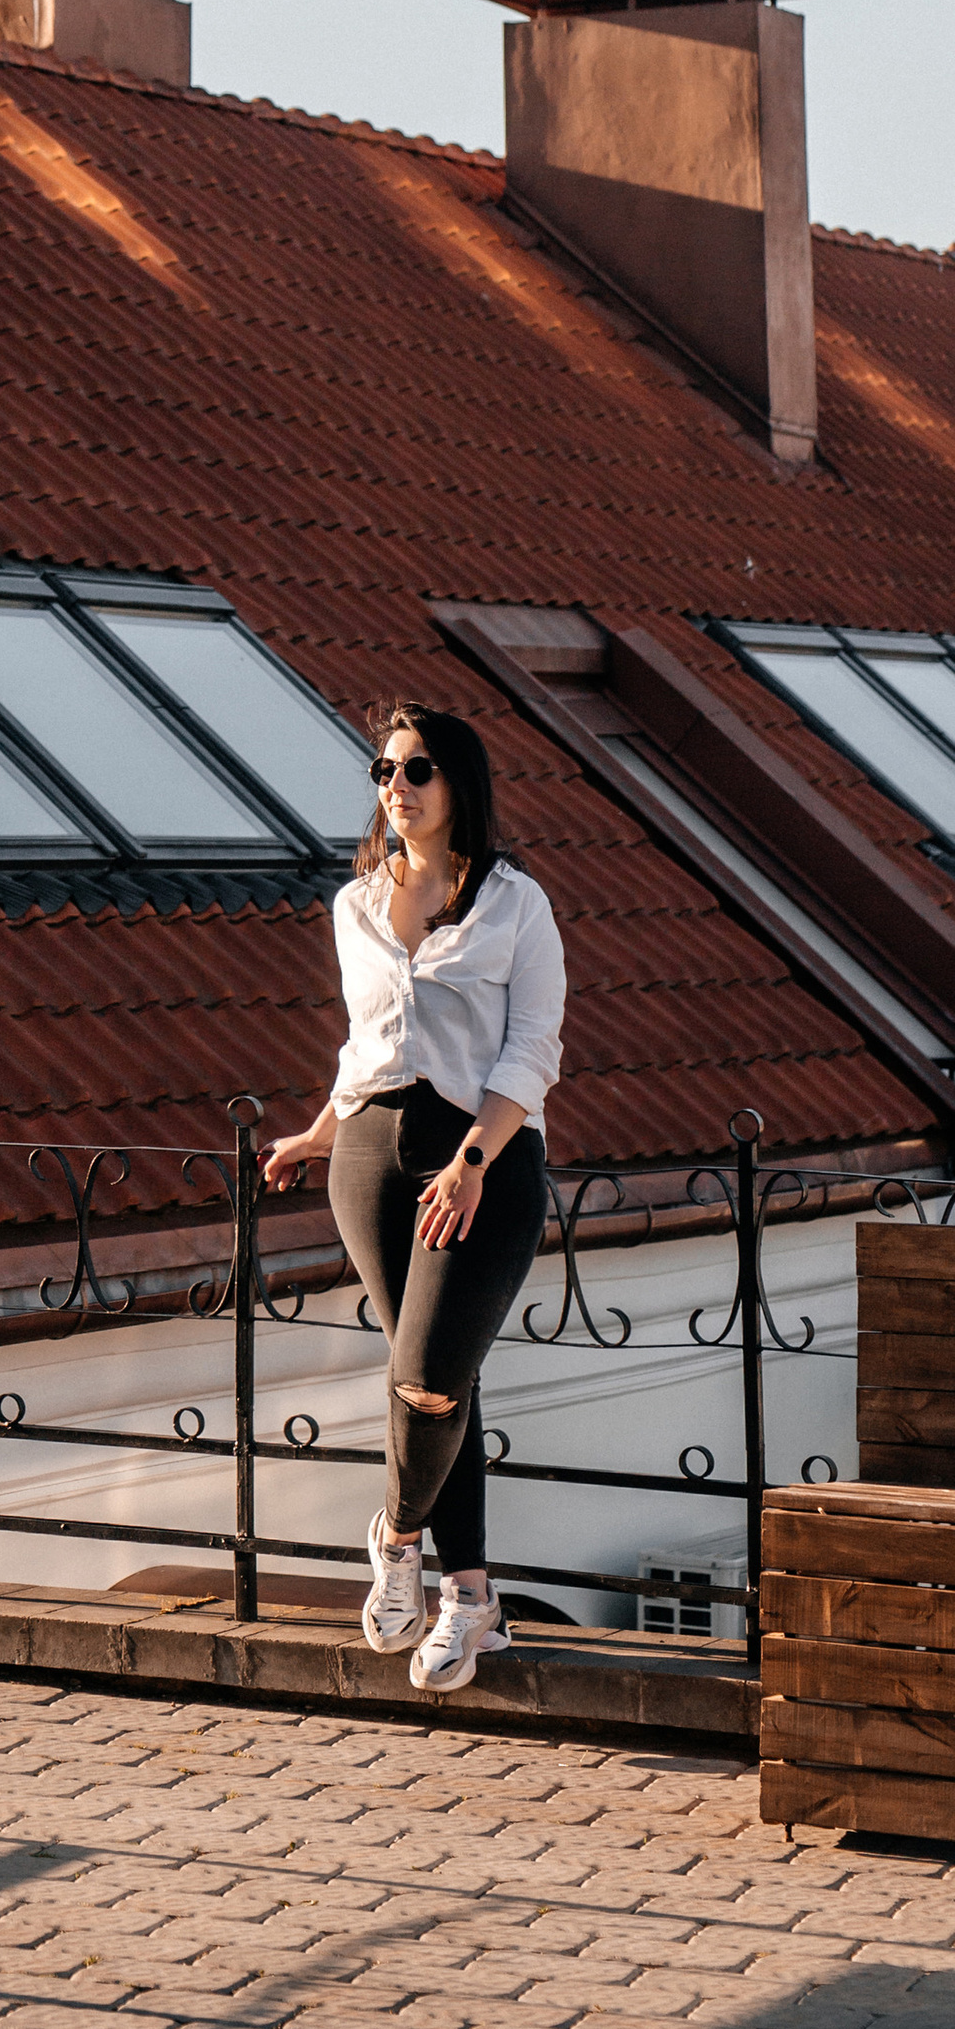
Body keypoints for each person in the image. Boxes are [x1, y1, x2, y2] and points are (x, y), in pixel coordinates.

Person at [262, 703, 565, 1694]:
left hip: (478, 1161)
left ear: (457, 784)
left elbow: (530, 1053)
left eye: (418, 769)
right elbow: (369, 1044)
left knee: (430, 1376)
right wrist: (320, 1130)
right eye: (384, 770)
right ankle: (471, 1600)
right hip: (368, 1158)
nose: (397, 786)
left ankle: (394, 1540)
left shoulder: (515, 903)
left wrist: (473, 1160)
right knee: (435, 1383)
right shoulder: (354, 905)